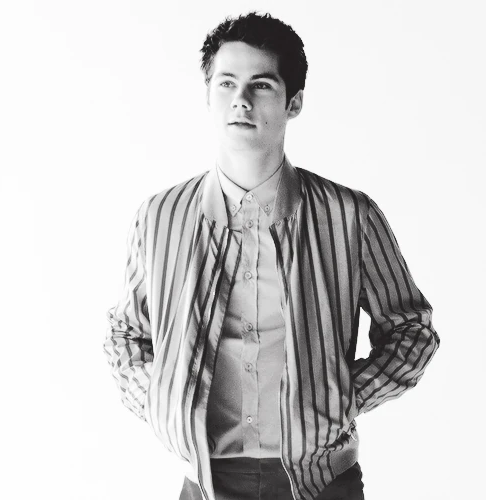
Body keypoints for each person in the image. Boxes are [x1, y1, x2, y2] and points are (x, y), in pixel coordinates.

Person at [103, 12, 440, 500]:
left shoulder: (350, 216)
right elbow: (125, 336)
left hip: (324, 483)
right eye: (226, 83)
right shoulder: (160, 217)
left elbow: (412, 330)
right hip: (206, 482)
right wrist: (163, 403)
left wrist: (342, 400)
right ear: (208, 95)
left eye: (261, 84)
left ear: (294, 102)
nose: (240, 99)